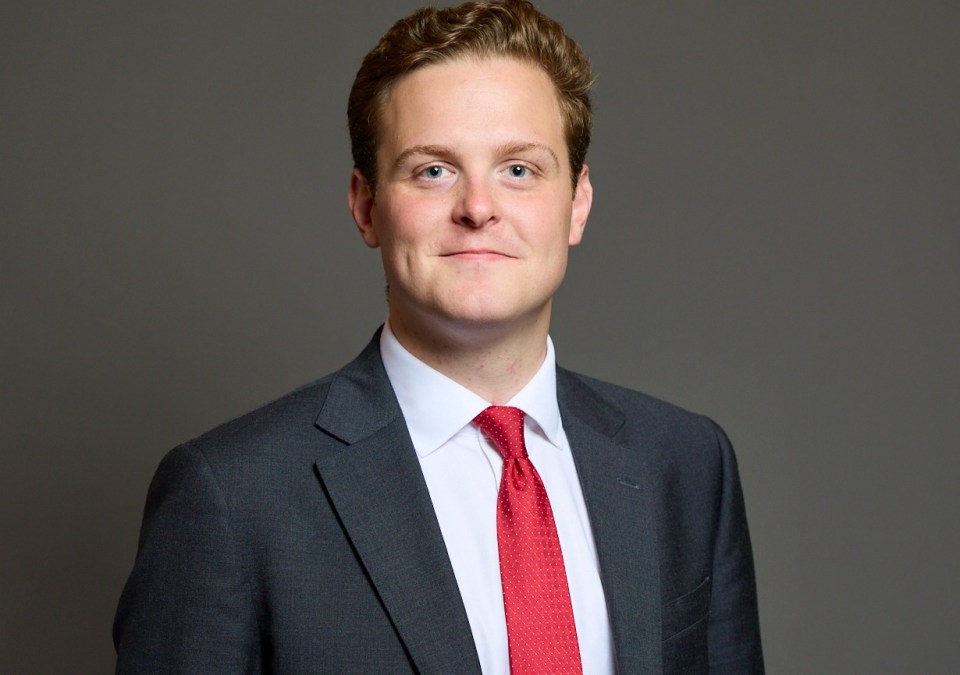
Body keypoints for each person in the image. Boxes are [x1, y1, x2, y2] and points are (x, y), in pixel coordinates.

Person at [113, 1, 763, 672]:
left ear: (577, 203)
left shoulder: (686, 464)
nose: (478, 208)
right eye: (433, 170)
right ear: (367, 206)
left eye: (519, 169)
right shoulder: (232, 494)